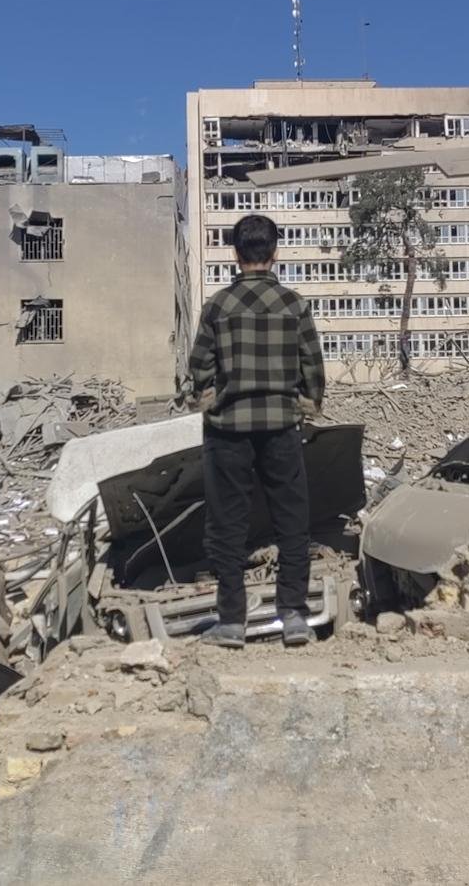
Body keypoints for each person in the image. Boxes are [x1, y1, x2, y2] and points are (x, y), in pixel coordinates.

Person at [188, 214, 326, 649]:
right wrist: (308, 405)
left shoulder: (218, 306)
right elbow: (312, 365)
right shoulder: (294, 305)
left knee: (226, 526)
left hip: (228, 430)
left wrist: (209, 400)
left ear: (235, 254)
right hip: (281, 427)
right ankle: (294, 615)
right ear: (275, 252)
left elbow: (199, 366)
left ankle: (231, 621)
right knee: (292, 522)